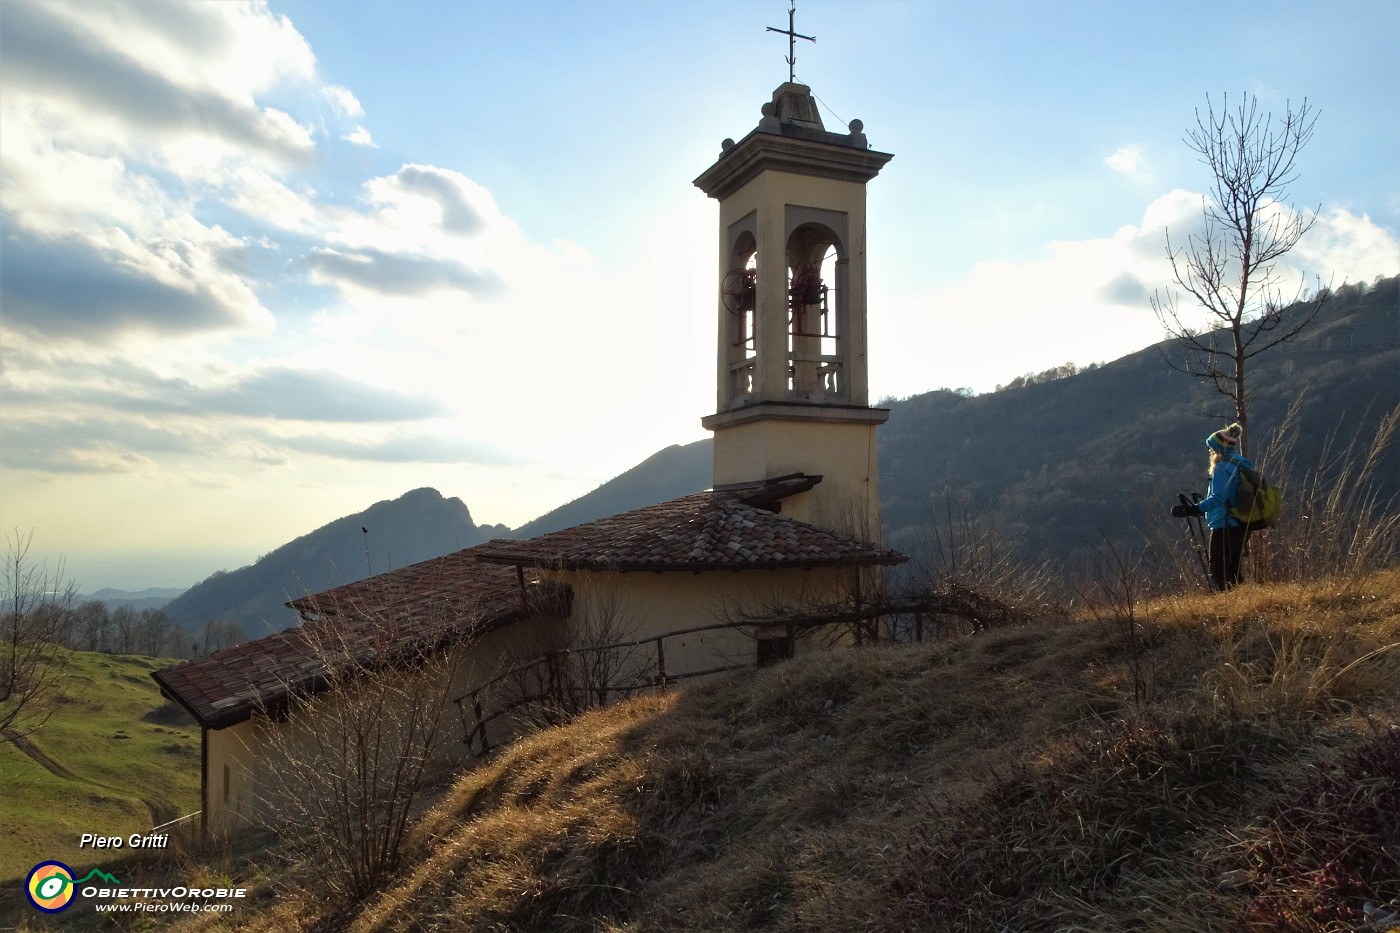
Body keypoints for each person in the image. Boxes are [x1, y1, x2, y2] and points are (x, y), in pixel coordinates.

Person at [1172, 423, 1253, 591]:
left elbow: (1220, 497)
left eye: (1212, 448)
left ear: (1219, 449)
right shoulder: (1237, 465)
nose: (1210, 452)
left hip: (1225, 525)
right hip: (1238, 524)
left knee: (1218, 569)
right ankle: (1239, 603)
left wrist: (1194, 509)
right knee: (1232, 569)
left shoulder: (1223, 467)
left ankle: (1228, 607)